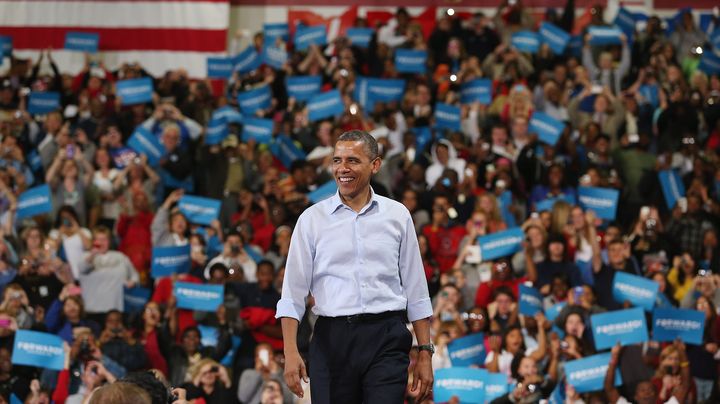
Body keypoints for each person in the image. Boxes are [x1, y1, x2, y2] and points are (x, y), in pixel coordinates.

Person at [276, 130, 434, 403]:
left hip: (386, 337)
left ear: (375, 165)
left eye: (352, 160)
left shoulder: (397, 216)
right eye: (337, 160)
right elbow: (292, 295)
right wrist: (290, 351)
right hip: (332, 339)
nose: (342, 169)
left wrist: (425, 352)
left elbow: (416, 290)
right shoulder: (311, 220)